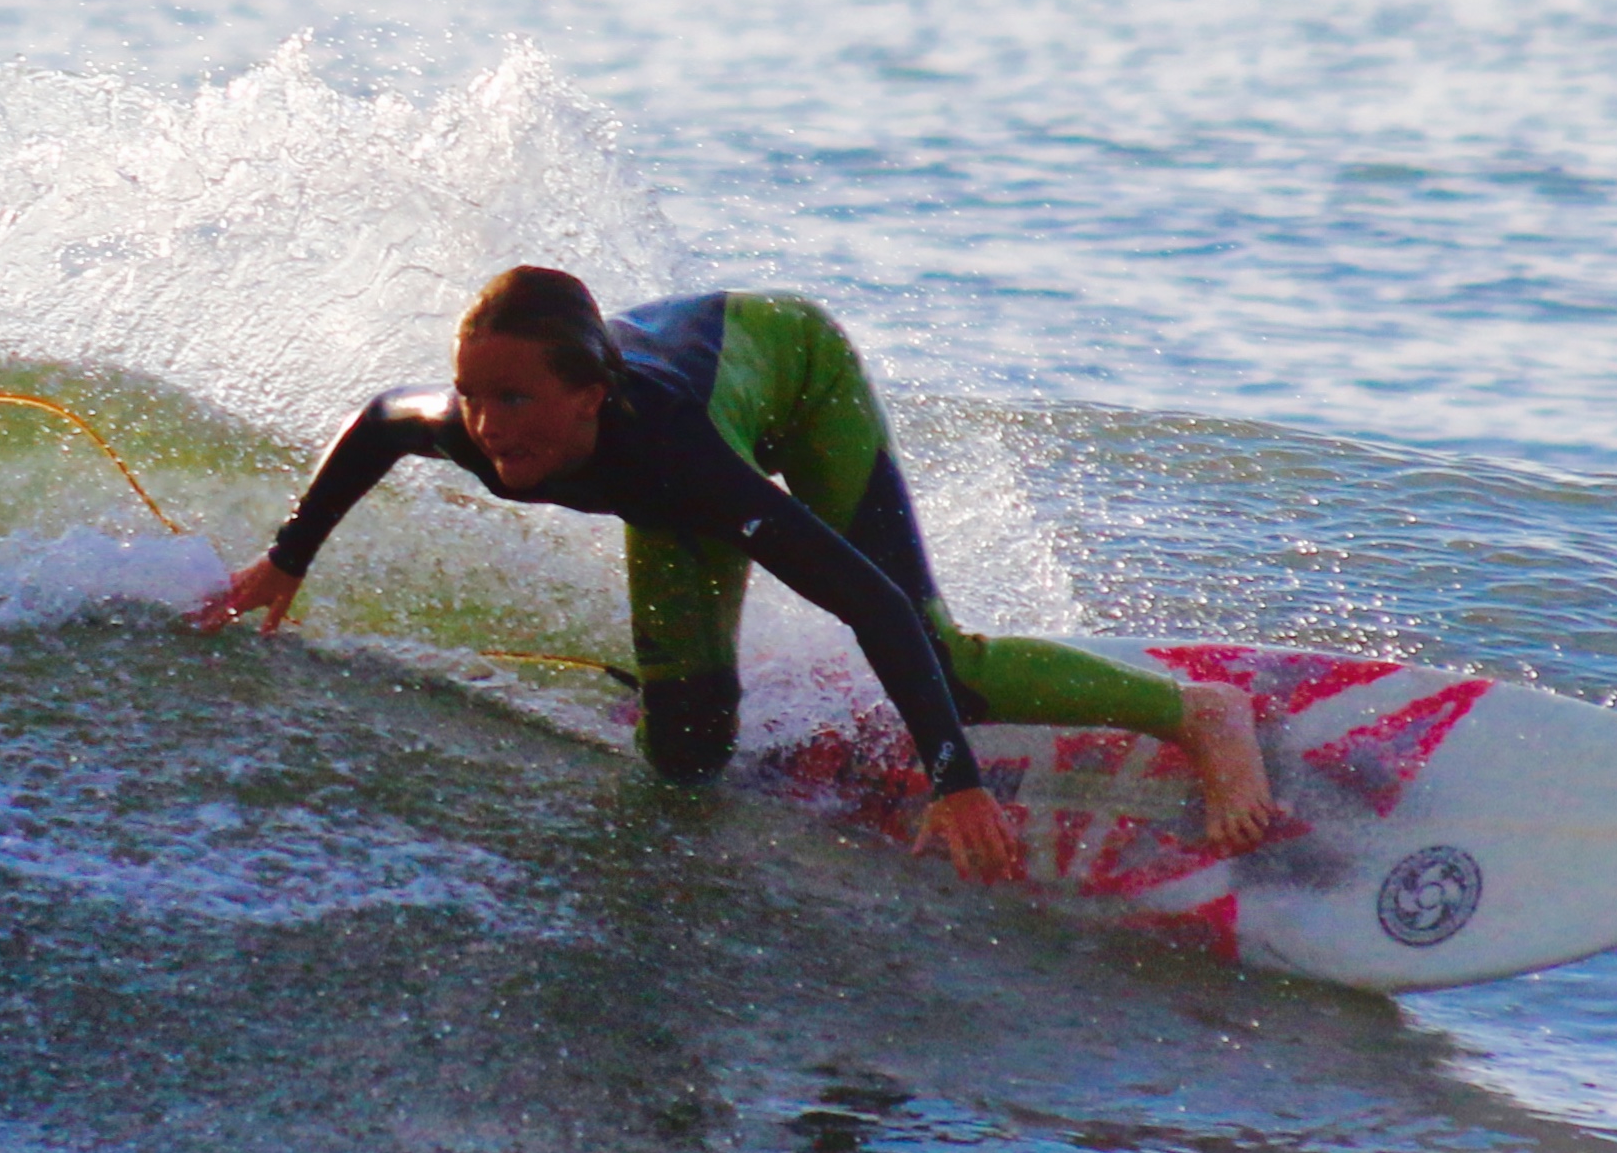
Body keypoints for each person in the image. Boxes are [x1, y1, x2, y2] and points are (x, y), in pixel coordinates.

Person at [190, 267, 1274, 882]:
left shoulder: (678, 459)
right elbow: (381, 419)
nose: (483, 424)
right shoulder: (478, 427)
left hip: (789, 371)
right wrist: (285, 558)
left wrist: (954, 776)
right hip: (674, 449)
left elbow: (869, 600)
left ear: (589, 397)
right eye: (473, 393)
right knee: (687, 751)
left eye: (513, 400)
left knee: (947, 665)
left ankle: (1196, 713)